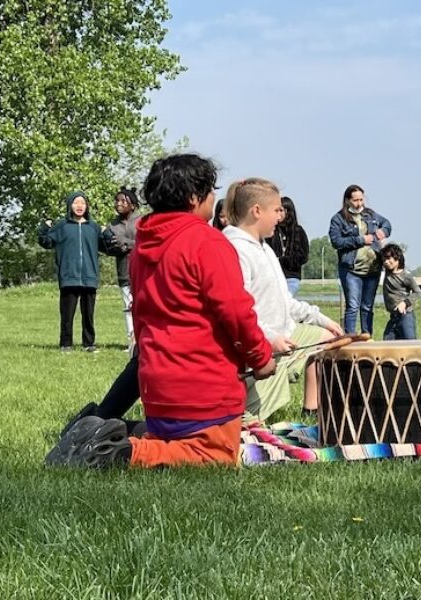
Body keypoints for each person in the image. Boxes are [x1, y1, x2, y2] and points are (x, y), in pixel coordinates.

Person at [46, 153, 276, 469]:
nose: (214, 199)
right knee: (217, 455)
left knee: (169, 439)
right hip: (203, 389)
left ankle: (100, 432)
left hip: (155, 389)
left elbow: (141, 317)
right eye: (210, 191)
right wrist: (261, 357)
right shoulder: (207, 241)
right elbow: (236, 311)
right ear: (195, 197)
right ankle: (121, 453)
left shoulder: (143, 245)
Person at [224, 178, 344, 421]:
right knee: (248, 423)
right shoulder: (235, 249)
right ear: (257, 211)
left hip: (284, 333)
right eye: (277, 210)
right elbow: (238, 312)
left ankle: (312, 409)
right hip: (259, 344)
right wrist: (269, 339)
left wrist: (322, 320)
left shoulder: (264, 248)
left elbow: (285, 301)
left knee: (328, 339)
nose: (281, 216)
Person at [38, 191, 104, 352]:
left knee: (88, 314)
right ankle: (66, 344)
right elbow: (47, 242)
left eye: (82, 203)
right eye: (76, 203)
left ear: (87, 206)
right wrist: (43, 227)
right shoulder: (62, 226)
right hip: (69, 276)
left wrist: (107, 233)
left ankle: (89, 343)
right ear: (70, 205)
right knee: (67, 314)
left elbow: (106, 247)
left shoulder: (94, 227)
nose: (79, 206)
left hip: (89, 276)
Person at [329, 184, 391, 334]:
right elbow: (336, 241)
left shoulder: (371, 215)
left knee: (367, 307)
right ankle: (350, 338)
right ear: (347, 200)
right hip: (351, 270)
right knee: (353, 306)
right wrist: (361, 240)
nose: (359, 204)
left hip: (373, 269)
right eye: (355, 200)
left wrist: (384, 231)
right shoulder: (338, 219)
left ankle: (367, 337)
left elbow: (388, 224)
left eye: (361, 200)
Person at [102, 186, 141, 352]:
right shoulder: (112, 225)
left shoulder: (143, 221)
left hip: (142, 271)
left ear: (132, 205)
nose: (119, 204)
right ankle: (131, 341)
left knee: (142, 306)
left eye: (123, 201)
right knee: (128, 307)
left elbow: (146, 241)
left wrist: (125, 244)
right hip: (124, 271)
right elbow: (108, 249)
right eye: (117, 201)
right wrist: (114, 246)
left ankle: (143, 339)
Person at [266, 196, 309, 296]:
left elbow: (303, 257)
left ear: (288, 211)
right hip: (273, 277)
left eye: (281, 210)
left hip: (291, 277)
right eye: (276, 210)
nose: (278, 214)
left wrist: (282, 260)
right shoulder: (271, 231)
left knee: (286, 299)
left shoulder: (298, 232)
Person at [381, 244, 421, 340]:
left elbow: (418, 292)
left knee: (410, 344)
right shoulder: (388, 272)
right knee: (387, 342)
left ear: (397, 258)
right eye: (384, 259)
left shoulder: (406, 276)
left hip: (406, 316)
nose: (386, 262)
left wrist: (405, 303)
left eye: (389, 258)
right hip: (393, 317)